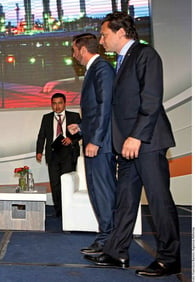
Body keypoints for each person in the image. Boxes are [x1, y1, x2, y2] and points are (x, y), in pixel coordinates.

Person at [83, 12, 181, 277]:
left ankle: (170, 259)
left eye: (104, 34)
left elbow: (150, 99)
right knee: (124, 202)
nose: (101, 40)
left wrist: (136, 136)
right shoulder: (121, 61)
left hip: (145, 141)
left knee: (159, 201)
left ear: (120, 32)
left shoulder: (146, 55)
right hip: (126, 146)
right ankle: (117, 253)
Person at [68, 33, 116, 255]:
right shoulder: (94, 70)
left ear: (82, 49)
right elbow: (96, 110)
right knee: (97, 191)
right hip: (94, 140)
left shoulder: (102, 69)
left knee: (103, 192)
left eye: (74, 49)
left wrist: (95, 139)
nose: (73, 54)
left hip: (101, 144)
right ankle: (104, 238)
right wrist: (82, 128)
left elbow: (107, 106)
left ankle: (109, 241)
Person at [36, 92, 81, 218]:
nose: (57, 106)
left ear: (65, 103)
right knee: (55, 183)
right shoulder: (46, 118)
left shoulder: (74, 116)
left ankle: (69, 208)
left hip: (69, 153)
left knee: (67, 182)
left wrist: (71, 139)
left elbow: (82, 132)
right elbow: (41, 136)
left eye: (60, 103)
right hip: (53, 154)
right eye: (54, 103)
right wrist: (39, 151)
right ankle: (59, 210)